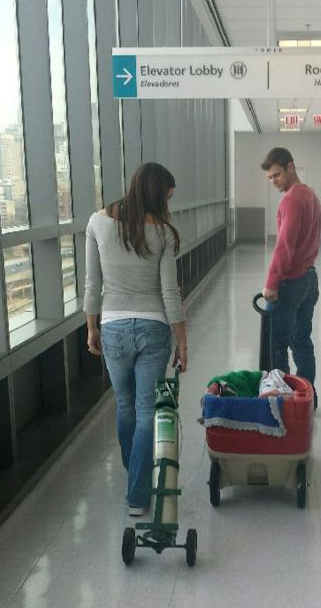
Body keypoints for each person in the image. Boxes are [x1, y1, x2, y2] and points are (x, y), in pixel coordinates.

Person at [84, 162, 188, 517]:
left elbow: (91, 284)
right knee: (147, 414)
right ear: (156, 195)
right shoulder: (163, 233)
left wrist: (91, 327)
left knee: (126, 407)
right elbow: (169, 293)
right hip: (154, 330)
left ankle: (136, 478)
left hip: (112, 328)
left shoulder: (97, 222)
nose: (168, 206)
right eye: (167, 197)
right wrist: (183, 342)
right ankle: (138, 494)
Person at [260, 147, 321, 408]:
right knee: (302, 341)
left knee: (278, 345)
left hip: (291, 283)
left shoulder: (291, 200)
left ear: (290, 167)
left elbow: (285, 245)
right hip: (309, 279)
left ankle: (284, 405)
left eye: (276, 175)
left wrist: (272, 283)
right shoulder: (310, 196)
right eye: (270, 178)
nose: (274, 181)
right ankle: (308, 399)